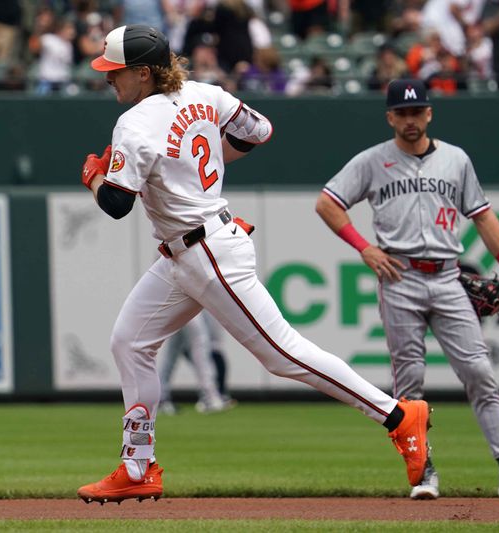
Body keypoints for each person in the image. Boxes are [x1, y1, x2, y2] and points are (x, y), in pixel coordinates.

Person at [75, 25, 431, 505]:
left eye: (114, 73)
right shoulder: (206, 93)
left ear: (142, 73)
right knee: (129, 341)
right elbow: (259, 131)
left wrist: (95, 179)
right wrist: (199, 168)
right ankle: (137, 465)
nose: (108, 81)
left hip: (206, 251)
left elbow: (117, 205)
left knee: (281, 354)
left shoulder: (135, 123)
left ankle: (397, 415)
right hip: (189, 250)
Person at [315, 78, 499, 501]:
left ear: (429, 113)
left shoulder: (456, 160)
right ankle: (425, 472)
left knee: (479, 372)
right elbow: (328, 203)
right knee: (410, 383)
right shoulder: (371, 161)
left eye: (416, 111)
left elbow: (482, 215)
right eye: (401, 113)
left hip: (447, 276)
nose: (410, 119)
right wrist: (365, 248)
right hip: (399, 277)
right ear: (390, 117)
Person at [158, 310, 234, 415]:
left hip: (176, 307)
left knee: (172, 352)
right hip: (184, 305)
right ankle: (209, 397)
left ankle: (160, 398)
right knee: (200, 346)